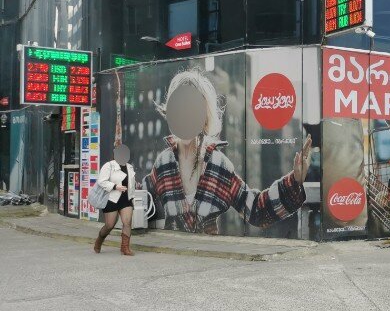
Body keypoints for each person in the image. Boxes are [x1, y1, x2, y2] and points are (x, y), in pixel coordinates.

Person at [144, 69, 310, 235]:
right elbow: (139, 198)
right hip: (170, 257)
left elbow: (256, 210)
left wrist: (294, 181)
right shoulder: (163, 163)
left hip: (210, 257)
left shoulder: (219, 165)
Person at [93, 144, 136, 255]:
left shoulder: (129, 167)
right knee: (109, 225)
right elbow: (101, 181)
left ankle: (125, 248)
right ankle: (99, 241)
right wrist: (115, 186)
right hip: (111, 199)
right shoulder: (109, 166)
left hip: (126, 199)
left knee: (127, 223)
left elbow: (130, 183)